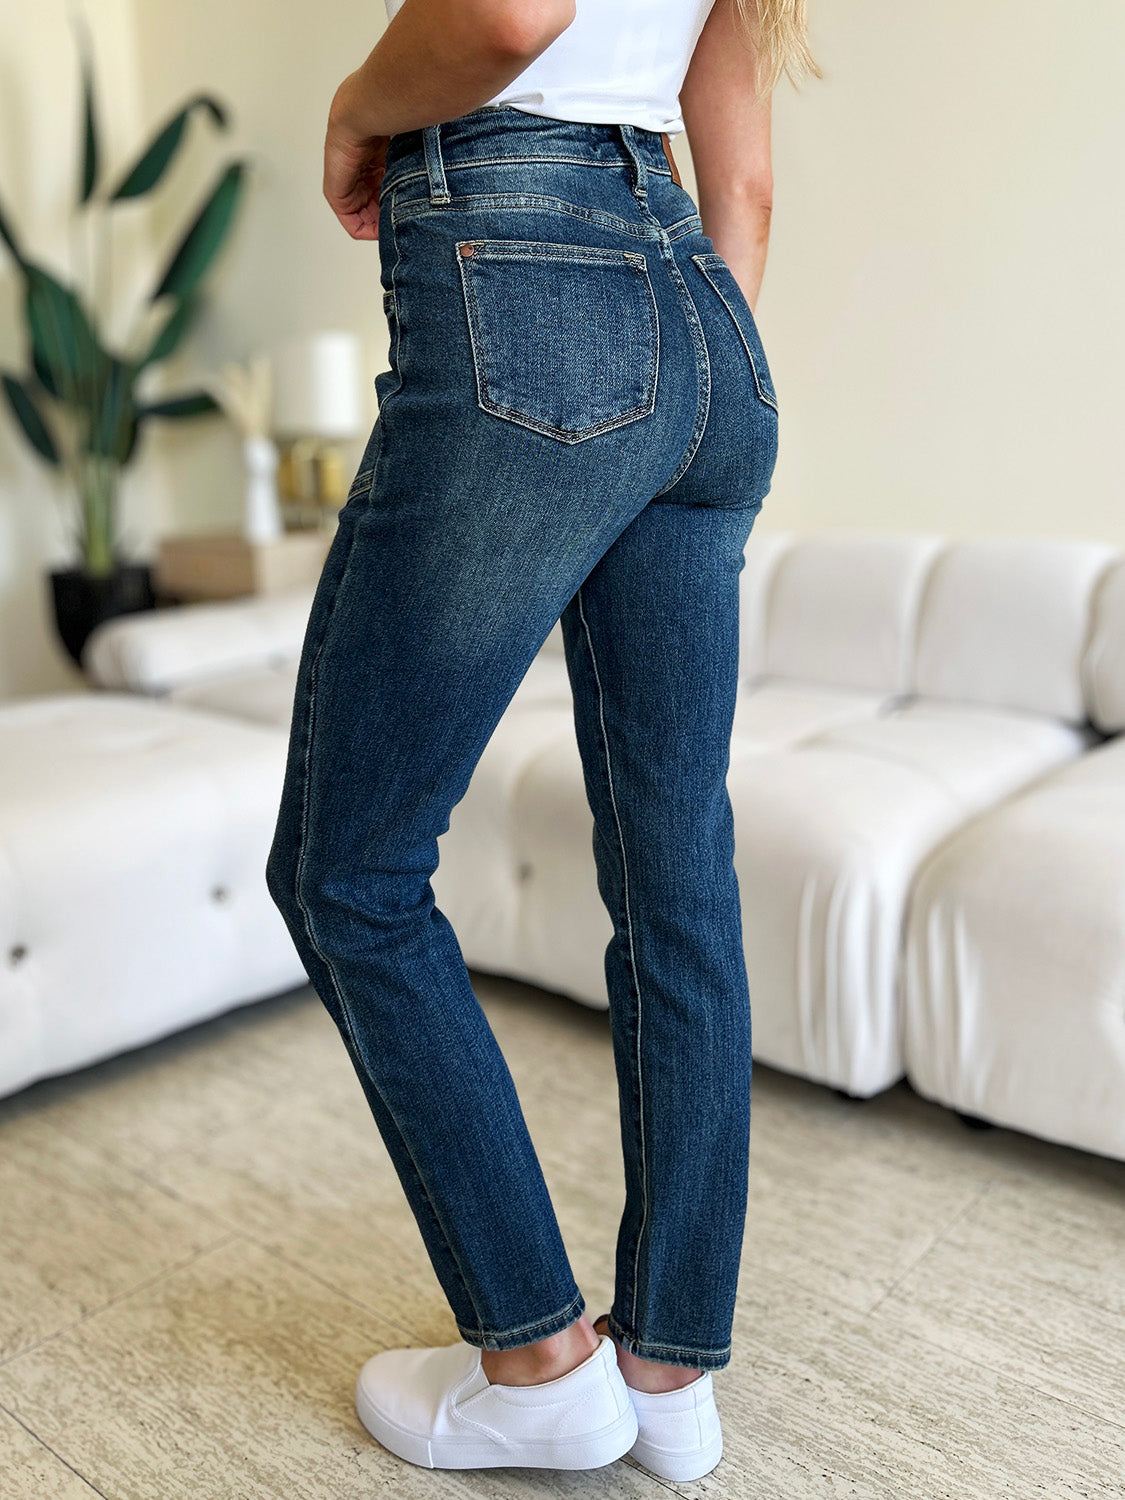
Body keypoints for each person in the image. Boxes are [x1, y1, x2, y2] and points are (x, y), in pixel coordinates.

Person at [266, 0, 818, 1479]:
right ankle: (669, 1370)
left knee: (350, 871)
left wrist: (355, 104)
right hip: (707, 321)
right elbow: (743, 186)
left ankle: (535, 1364)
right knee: (676, 878)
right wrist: (674, 374)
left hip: (521, 269)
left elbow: (508, 16)